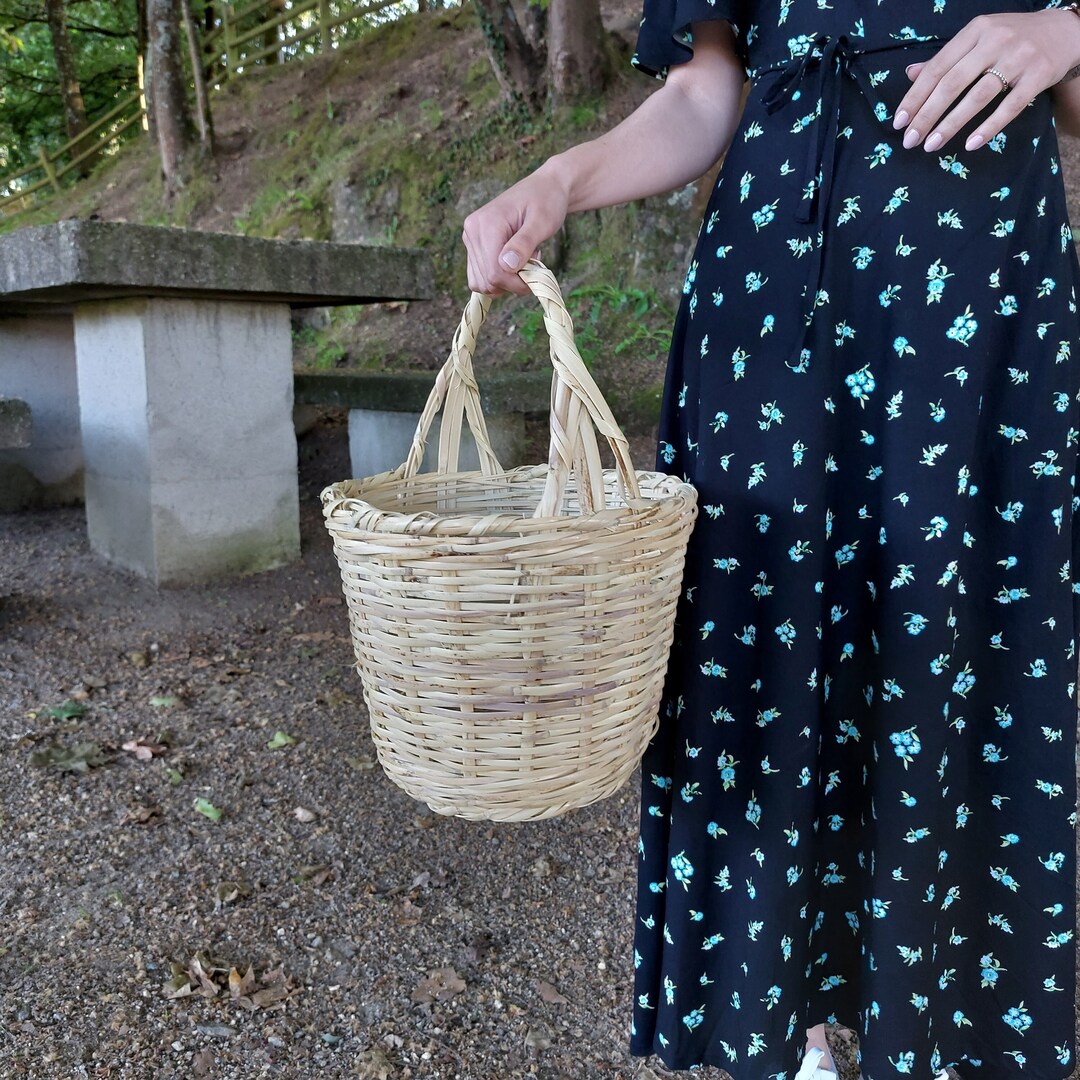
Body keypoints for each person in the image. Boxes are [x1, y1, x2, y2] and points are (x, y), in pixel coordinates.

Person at [463, 2, 1080, 1076]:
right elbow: (705, 95)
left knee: (952, 642)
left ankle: (935, 1022)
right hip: (767, 301)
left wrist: (1069, 33)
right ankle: (789, 1028)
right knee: (757, 650)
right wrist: (560, 180)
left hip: (974, 312)